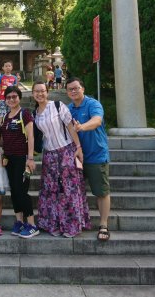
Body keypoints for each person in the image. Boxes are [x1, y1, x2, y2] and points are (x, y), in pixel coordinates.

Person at [32, 80, 90, 238]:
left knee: (69, 190)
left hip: (66, 151)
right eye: (36, 91)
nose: (40, 94)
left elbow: (71, 127)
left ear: (47, 91)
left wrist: (78, 148)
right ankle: (54, 224)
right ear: (32, 94)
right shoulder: (34, 114)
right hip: (49, 155)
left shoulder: (58, 106)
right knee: (51, 191)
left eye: (42, 90)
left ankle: (72, 226)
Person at [66, 77, 111, 242]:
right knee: (75, 192)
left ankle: (104, 224)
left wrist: (81, 127)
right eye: (70, 89)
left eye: (76, 88)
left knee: (101, 192)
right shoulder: (68, 109)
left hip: (96, 155)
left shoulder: (93, 104)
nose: (73, 91)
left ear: (82, 88)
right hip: (77, 157)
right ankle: (77, 222)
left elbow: (97, 121)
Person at [0, 85, 39, 238]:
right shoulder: (4, 117)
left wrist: (30, 158)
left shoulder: (25, 114)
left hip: (22, 158)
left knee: (22, 191)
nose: (11, 99)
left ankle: (32, 224)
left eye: (14, 97)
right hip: (8, 159)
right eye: (8, 97)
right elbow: (3, 140)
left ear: (19, 98)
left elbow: (31, 137)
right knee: (14, 192)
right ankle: (19, 222)